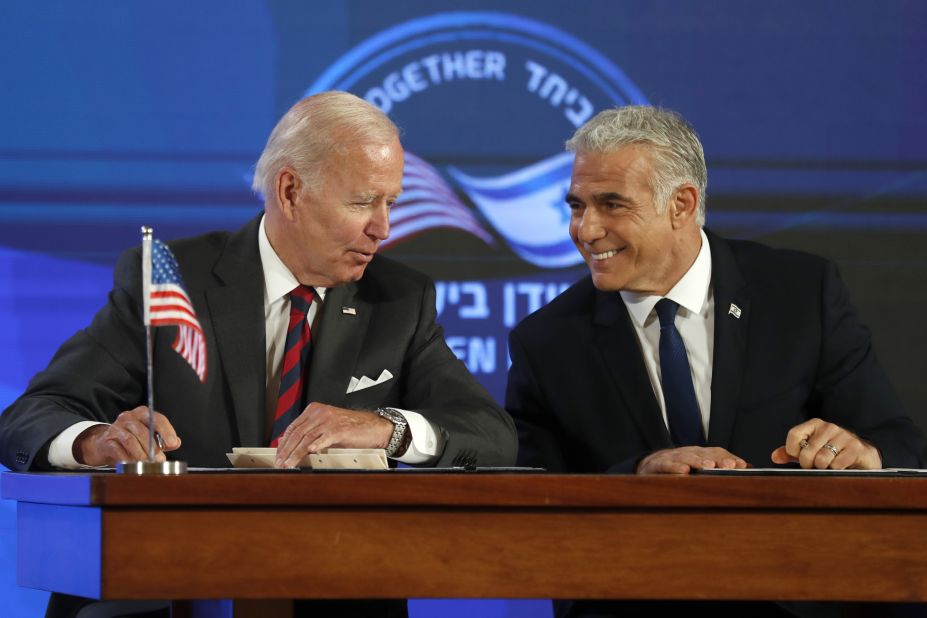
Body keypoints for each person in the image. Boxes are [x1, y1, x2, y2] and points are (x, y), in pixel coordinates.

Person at [0, 91, 517, 617]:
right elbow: (31, 417)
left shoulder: (399, 301)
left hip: (334, 593)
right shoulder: (171, 282)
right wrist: (96, 443)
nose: (382, 229)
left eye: (392, 203)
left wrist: (388, 428)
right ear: (290, 191)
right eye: (363, 203)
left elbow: (491, 434)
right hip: (168, 587)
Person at [505, 106, 925, 617]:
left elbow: (899, 442)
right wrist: (635, 474)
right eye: (577, 206)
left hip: (792, 597)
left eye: (611, 205)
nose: (585, 229)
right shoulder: (547, 341)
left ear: (682, 204)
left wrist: (862, 454)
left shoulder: (800, 294)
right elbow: (532, 501)